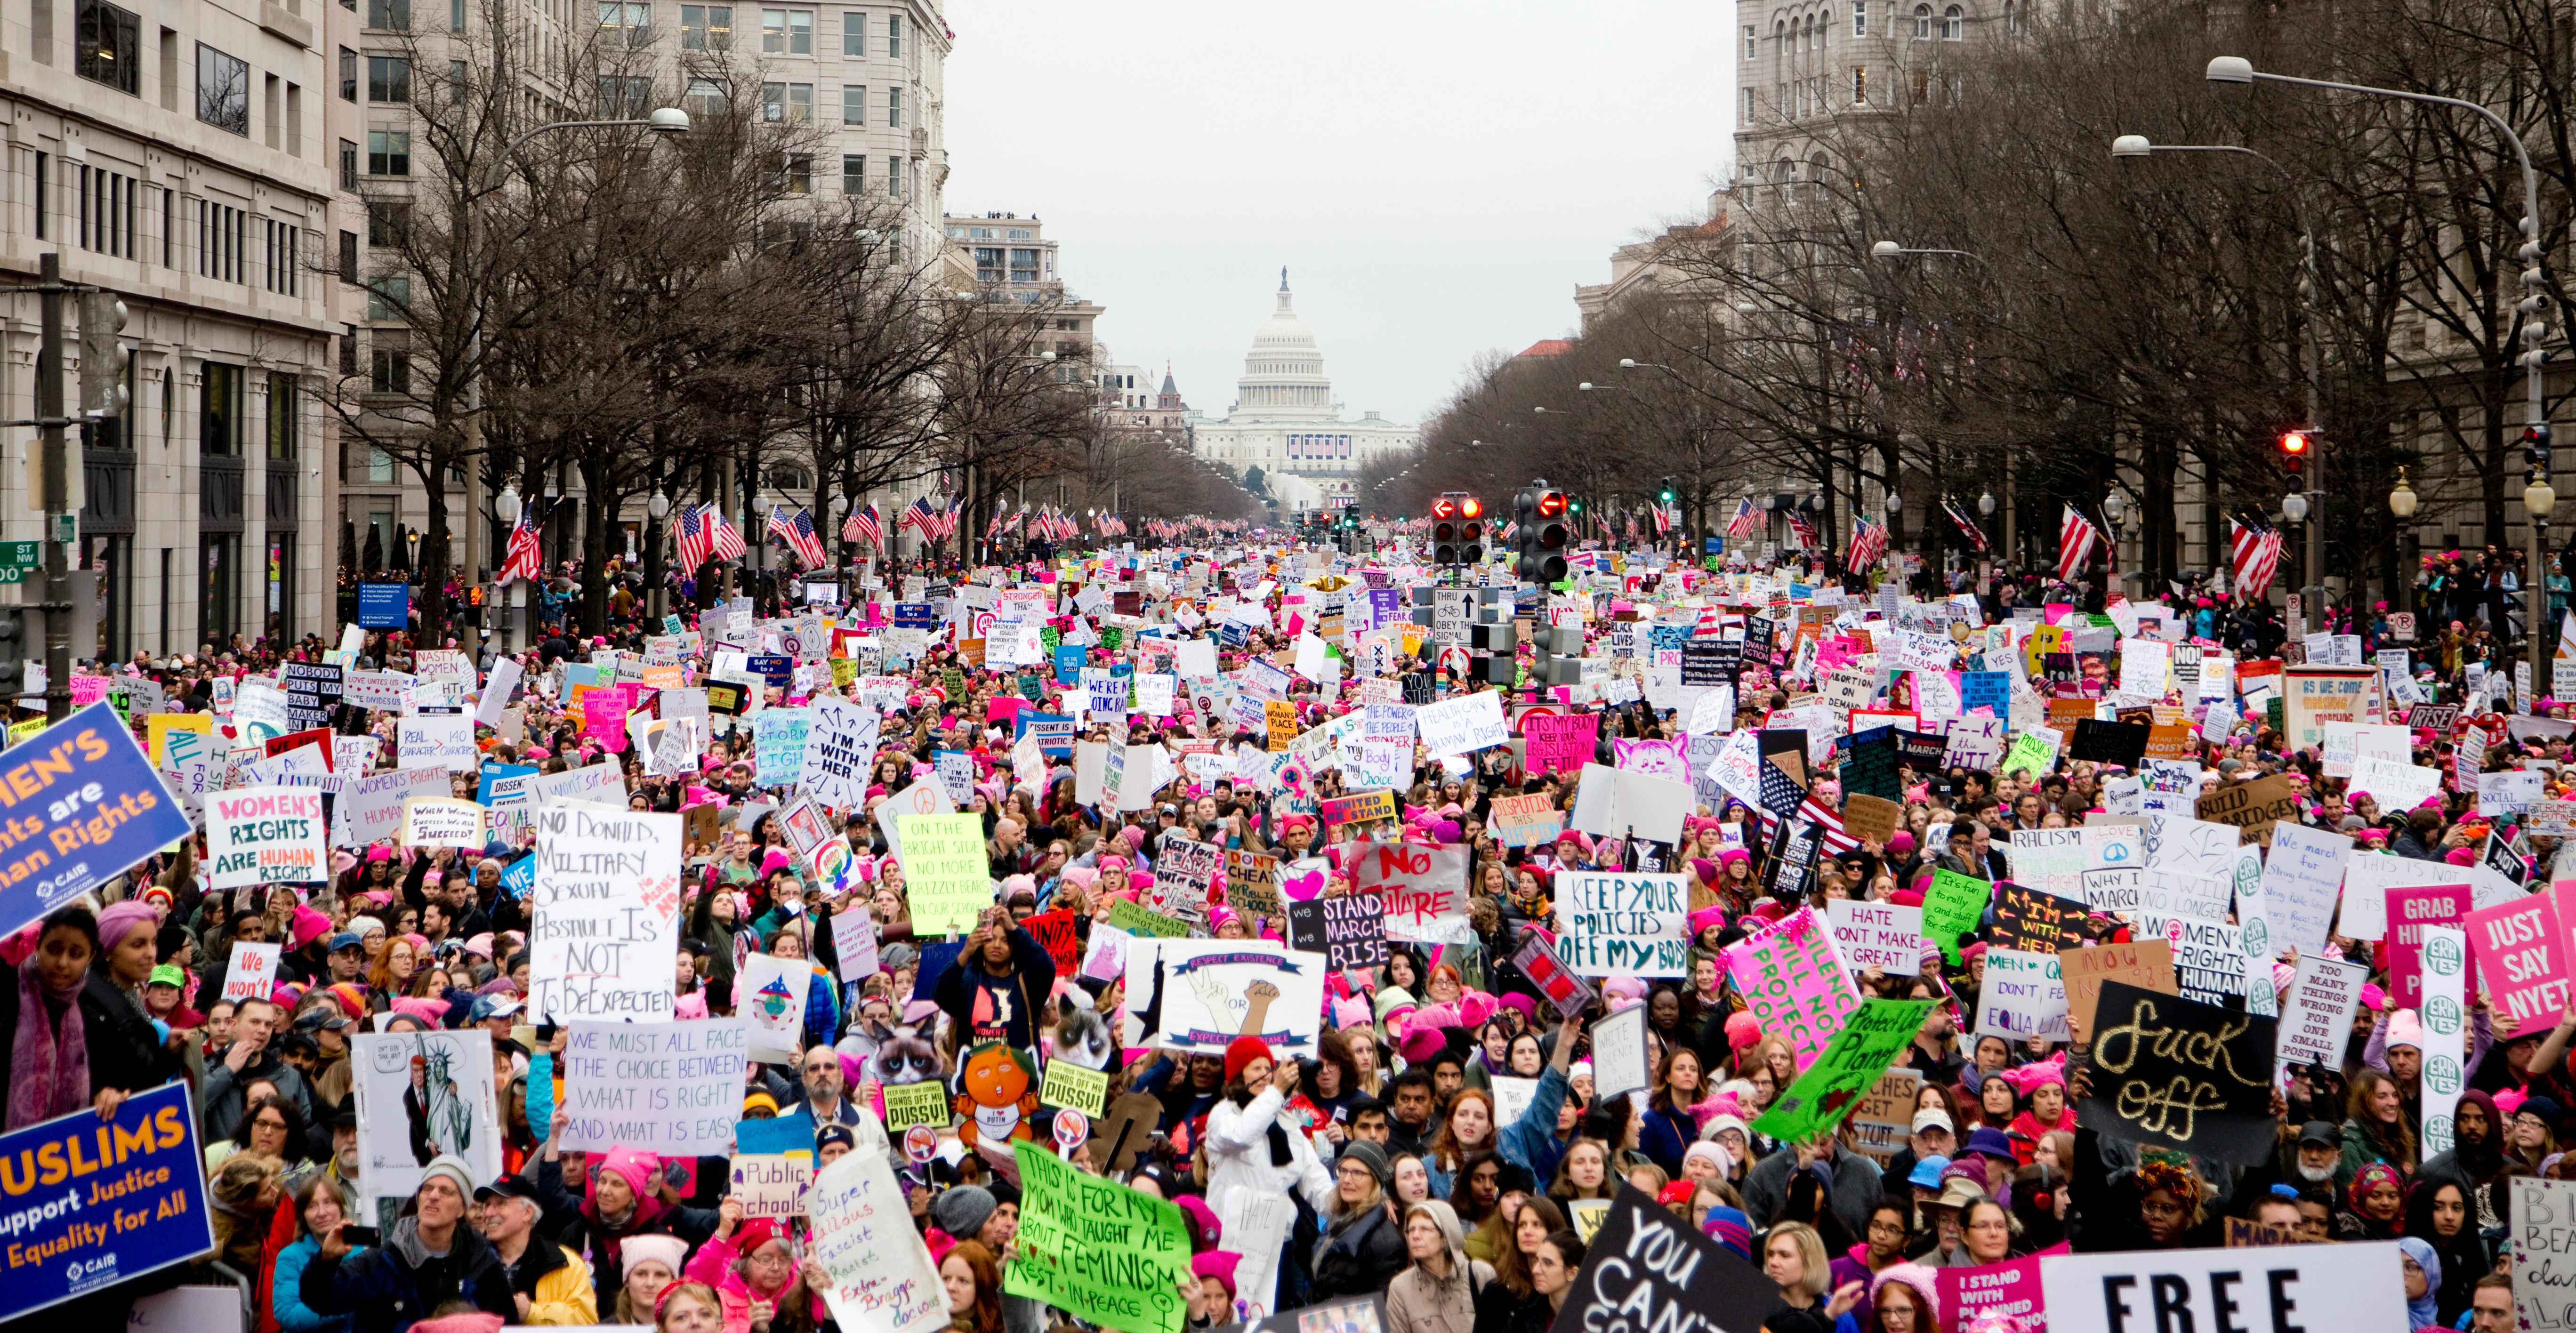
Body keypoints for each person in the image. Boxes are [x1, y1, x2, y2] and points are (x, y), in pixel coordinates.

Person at [298, 1153, 521, 1332]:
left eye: (446, 1191)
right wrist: (325, 1261)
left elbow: (506, 1326)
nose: (433, 1196)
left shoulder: (482, 1263)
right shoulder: (386, 1262)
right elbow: (320, 1300)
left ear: (462, 1209)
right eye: (427, 1188)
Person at [474, 1173, 597, 1325]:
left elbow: (586, 1324)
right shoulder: (472, 1258)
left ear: (528, 1213)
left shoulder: (566, 1263)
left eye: (501, 1203)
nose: (488, 1213)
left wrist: (533, 1313)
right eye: (486, 1205)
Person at [1312, 1138, 1409, 1301]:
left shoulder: (1384, 1240)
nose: (1347, 1180)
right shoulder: (1339, 1220)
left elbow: (1386, 1303)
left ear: (1375, 1181)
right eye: (1343, 1171)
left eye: (1358, 1173)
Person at [1386, 1199, 1494, 1333]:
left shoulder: (1480, 1274)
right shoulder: (1401, 1288)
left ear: (1445, 1237)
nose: (1415, 1236)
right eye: (1411, 1230)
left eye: (1425, 1229)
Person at [270, 1177, 360, 1333]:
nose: (322, 1213)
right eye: (312, 1206)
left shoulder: (361, 1250)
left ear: (341, 1207)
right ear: (303, 1215)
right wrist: (340, 1306)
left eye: (328, 1202)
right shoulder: (290, 1257)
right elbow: (288, 1315)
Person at [1762, 1221, 1864, 1333]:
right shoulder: (1758, 1309)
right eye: (1771, 1254)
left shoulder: (1839, 1312)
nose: (1773, 1262)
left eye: (1785, 1255)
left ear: (1810, 1261)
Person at [941, 1239, 1008, 1333]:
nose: (951, 1287)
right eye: (946, 1279)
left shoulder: (1006, 1326)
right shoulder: (924, 1326)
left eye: (963, 1281)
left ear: (982, 1286)